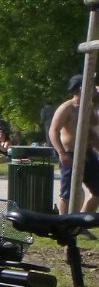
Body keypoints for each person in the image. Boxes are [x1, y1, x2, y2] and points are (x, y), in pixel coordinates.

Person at [49, 74, 99, 213]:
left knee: (97, 191)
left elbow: (92, 131)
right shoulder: (67, 108)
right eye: (92, 85)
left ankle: (83, 220)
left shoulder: (88, 107)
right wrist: (62, 154)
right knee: (68, 194)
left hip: (88, 154)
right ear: (82, 88)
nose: (95, 88)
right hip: (70, 154)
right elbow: (53, 131)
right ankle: (64, 223)